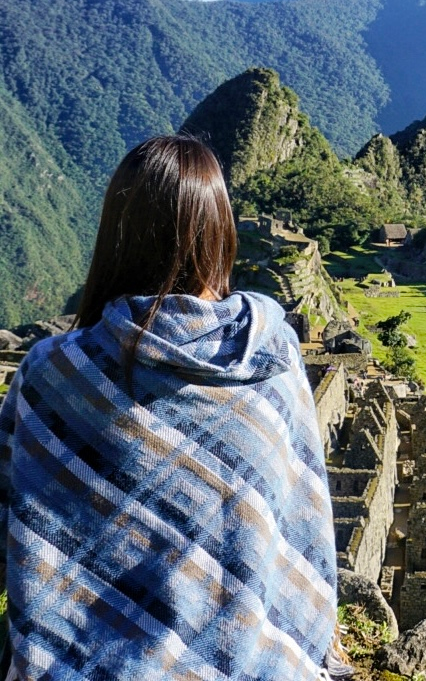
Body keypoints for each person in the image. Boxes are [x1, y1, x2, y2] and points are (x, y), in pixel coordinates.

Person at [0, 136, 345, 680]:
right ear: (221, 234)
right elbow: (300, 528)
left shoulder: (55, 375)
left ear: (119, 236)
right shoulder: (274, 361)